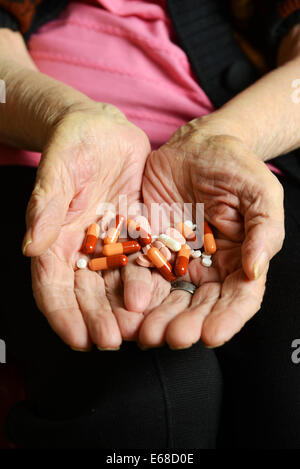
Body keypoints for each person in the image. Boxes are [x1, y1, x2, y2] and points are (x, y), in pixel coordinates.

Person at [0, 0, 299, 448]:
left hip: (231, 167)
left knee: (286, 390)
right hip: (54, 167)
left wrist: (227, 136)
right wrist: (65, 115)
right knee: (152, 400)